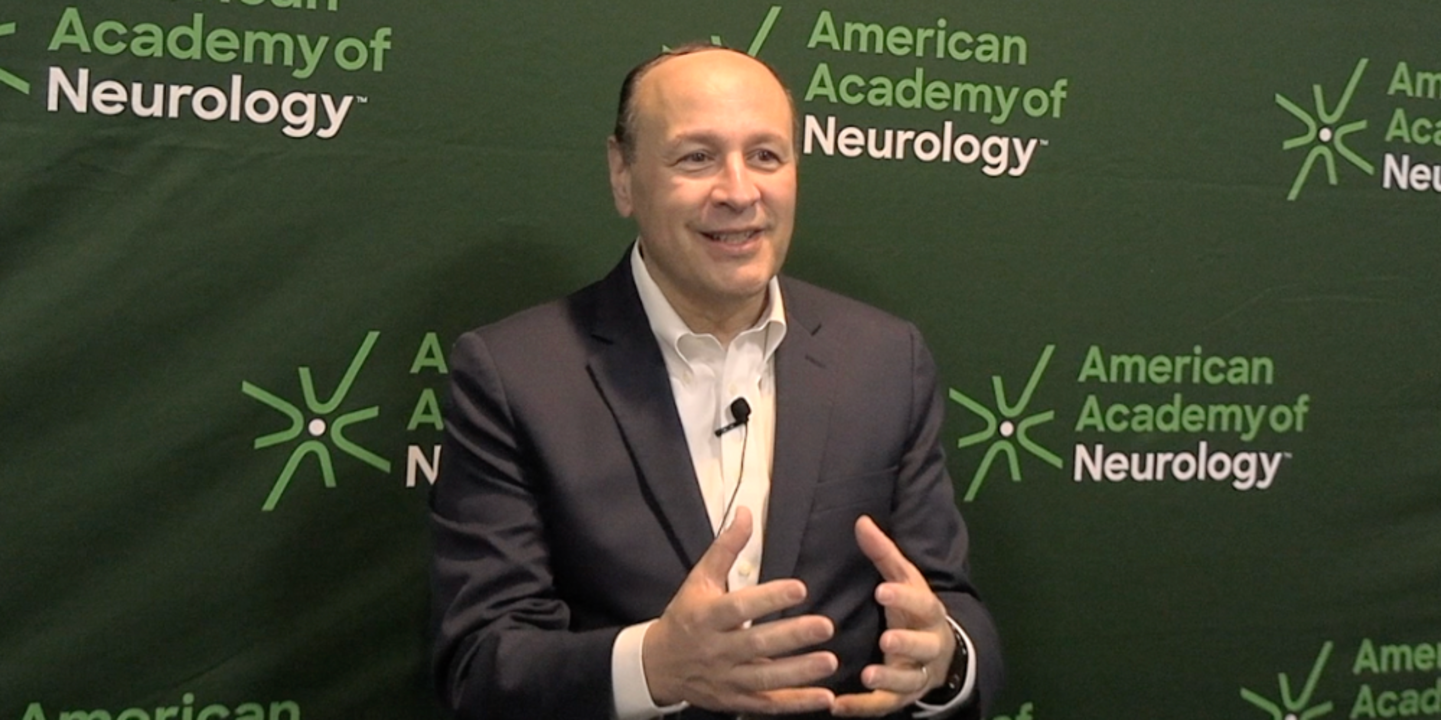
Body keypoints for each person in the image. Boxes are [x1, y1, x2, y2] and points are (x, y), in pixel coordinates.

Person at [429, 44, 1002, 720]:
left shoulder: (884, 359)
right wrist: (654, 666)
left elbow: (948, 601)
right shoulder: (514, 375)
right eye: (696, 157)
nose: (738, 191)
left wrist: (944, 658)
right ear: (623, 174)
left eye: (765, 156)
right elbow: (480, 664)